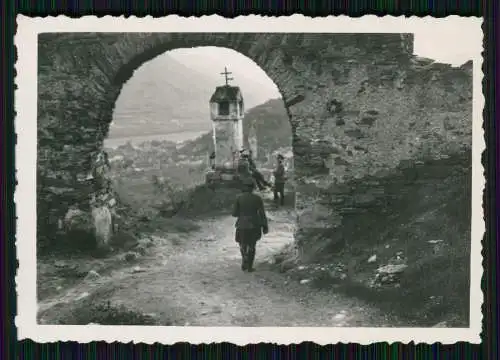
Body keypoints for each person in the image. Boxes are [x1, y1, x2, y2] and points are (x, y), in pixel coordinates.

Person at [232, 178, 269, 272]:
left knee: (242, 243)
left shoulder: (238, 197)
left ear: (244, 187)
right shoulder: (257, 198)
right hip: (254, 224)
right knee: (252, 245)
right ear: (252, 188)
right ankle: (249, 266)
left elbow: (234, 213)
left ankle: (244, 257)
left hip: (242, 224)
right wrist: (265, 226)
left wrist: (241, 212)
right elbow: (262, 214)